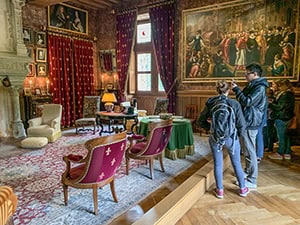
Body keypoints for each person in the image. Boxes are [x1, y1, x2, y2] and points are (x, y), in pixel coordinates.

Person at [198, 80, 249, 199]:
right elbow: (242, 124)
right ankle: (242, 188)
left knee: (217, 164)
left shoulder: (211, 102)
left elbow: (201, 120)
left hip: (215, 137)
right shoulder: (234, 103)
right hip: (231, 137)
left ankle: (220, 190)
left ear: (217, 89)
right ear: (229, 90)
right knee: (236, 163)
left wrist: (210, 129)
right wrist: (237, 136)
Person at [231, 63, 269, 189]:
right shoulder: (253, 85)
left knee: (249, 151)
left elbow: (247, 102)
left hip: (250, 122)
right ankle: (247, 172)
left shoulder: (260, 87)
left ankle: (252, 180)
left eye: (247, 73)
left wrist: (236, 89)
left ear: (255, 74)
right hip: (247, 121)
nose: (245, 75)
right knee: (246, 149)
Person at [268, 79, 295, 160]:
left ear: (284, 86)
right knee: (286, 136)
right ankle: (287, 153)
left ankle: (280, 153)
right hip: (287, 117)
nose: (279, 87)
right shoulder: (290, 94)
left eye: (280, 85)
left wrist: (270, 104)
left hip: (281, 117)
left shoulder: (285, 94)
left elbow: (280, 107)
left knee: (281, 136)